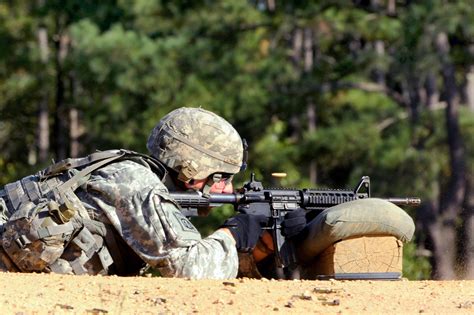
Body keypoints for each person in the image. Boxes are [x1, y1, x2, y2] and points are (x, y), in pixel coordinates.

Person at [0, 107, 276, 279]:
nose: (228, 189)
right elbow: (192, 269)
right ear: (192, 169)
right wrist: (237, 231)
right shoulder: (137, 184)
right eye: (222, 178)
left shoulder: (132, 173)